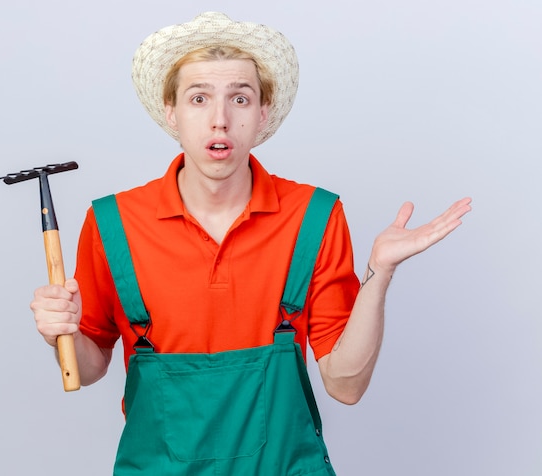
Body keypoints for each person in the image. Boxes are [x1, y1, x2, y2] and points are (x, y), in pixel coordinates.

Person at [30, 12, 472, 476]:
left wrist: (379, 274)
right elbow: (87, 367)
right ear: (171, 112)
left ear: (262, 114)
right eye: (198, 98)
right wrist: (61, 332)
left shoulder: (314, 216)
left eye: (239, 99)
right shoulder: (113, 223)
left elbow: (346, 386)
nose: (220, 120)